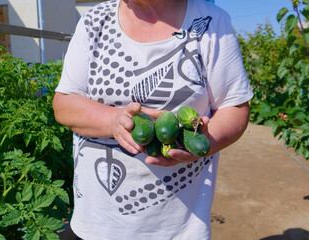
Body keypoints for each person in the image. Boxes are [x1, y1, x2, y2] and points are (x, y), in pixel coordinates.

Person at [53, 0, 253, 239]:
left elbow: (235, 106)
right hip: (96, 222)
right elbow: (64, 104)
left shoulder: (211, 22)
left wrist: (202, 143)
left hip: (177, 228)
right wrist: (113, 120)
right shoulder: (94, 21)